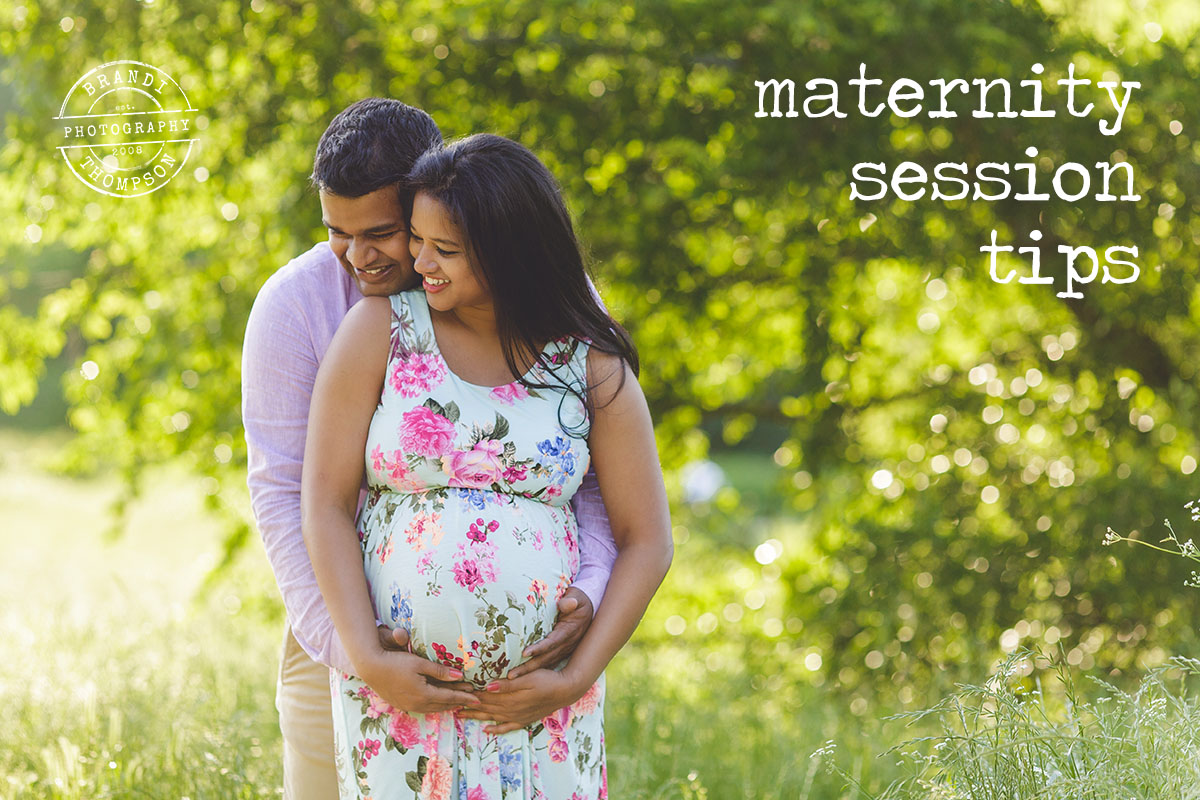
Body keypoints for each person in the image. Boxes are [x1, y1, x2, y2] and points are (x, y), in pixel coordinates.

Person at [242, 99, 620, 800]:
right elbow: (286, 490)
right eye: (337, 232)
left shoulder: (547, 295)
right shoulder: (296, 304)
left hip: (529, 665)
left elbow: (595, 472)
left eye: (382, 233)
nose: (359, 257)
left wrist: (590, 591)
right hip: (346, 632)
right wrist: (356, 653)